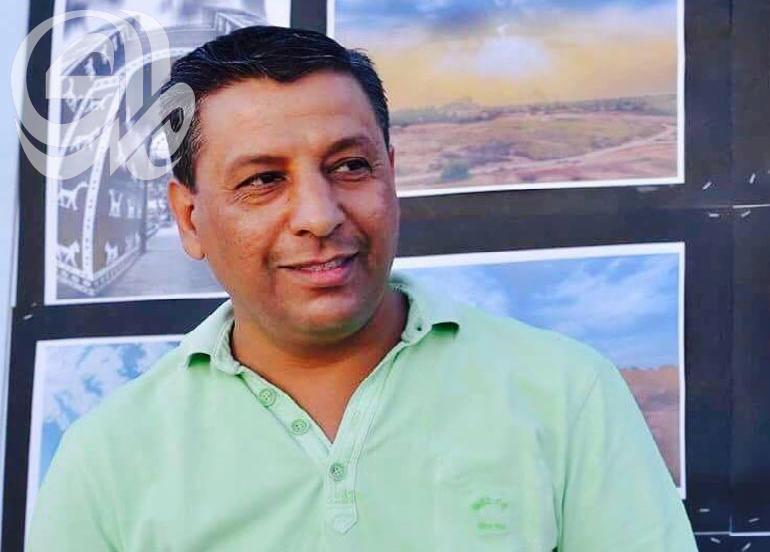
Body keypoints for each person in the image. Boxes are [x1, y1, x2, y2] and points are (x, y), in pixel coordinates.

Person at [27, 25, 698, 551]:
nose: (319, 216)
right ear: (189, 218)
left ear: (391, 176)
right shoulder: (107, 459)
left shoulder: (566, 394)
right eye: (263, 180)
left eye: (349, 166)